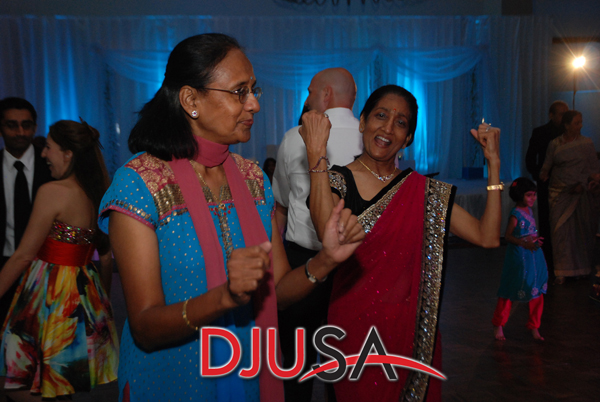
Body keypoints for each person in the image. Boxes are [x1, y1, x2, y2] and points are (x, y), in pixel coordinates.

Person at [98, 33, 364, 402]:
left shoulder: (253, 178)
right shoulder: (140, 183)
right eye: (240, 92)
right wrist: (225, 296)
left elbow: (277, 293)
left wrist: (326, 260)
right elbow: (144, 326)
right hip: (174, 380)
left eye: (254, 90)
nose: (254, 104)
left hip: (248, 372)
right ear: (191, 100)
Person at [300, 84, 502, 402]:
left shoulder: (424, 192)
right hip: (353, 330)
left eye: (400, 122)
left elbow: (487, 237)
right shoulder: (337, 180)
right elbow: (328, 231)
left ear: (407, 138)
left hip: (411, 333)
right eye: (380, 116)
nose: (388, 128)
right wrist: (316, 153)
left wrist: (494, 165)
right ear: (363, 122)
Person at [0, 120, 118, 400]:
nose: (43, 154)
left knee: (17, 382)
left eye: (48, 147)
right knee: (59, 381)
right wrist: (99, 306)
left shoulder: (53, 192)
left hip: (50, 295)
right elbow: (106, 257)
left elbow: (23, 255)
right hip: (84, 294)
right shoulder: (97, 192)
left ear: (68, 154)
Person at [272, 67, 362, 402]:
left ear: (325, 94)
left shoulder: (295, 137)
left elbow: (281, 202)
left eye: (310, 91)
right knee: (347, 360)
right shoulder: (370, 140)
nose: (307, 99)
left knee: (297, 366)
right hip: (355, 266)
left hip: (303, 265)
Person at [0, 97, 53, 342]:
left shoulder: (51, 167)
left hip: (46, 268)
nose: (20, 132)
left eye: (26, 125)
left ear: (35, 127)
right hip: (3, 265)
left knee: (42, 342)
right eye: (12, 125)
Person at [539, 110, 600, 284]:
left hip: (580, 193)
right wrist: (542, 176)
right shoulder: (555, 144)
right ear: (566, 125)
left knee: (581, 232)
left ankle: (582, 269)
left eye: (581, 122)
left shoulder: (586, 143)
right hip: (559, 192)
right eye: (576, 123)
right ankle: (562, 270)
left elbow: (593, 170)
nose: (580, 126)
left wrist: (582, 184)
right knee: (559, 231)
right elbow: (547, 166)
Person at [492, 178, 548, 341]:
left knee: (536, 289)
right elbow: (508, 236)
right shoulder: (515, 214)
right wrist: (525, 243)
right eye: (529, 195)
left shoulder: (529, 211)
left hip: (533, 255)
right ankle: (498, 324)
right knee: (510, 288)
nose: (533, 198)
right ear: (519, 195)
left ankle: (534, 326)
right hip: (519, 256)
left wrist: (534, 241)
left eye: (534, 195)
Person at [525, 100, 569, 271]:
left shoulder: (568, 133)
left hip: (566, 184)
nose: (564, 117)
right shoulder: (541, 132)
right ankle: (547, 259)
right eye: (561, 114)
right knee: (546, 220)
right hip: (547, 183)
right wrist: (540, 176)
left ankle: (563, 258)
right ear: (551, 115)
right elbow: (530, 158)